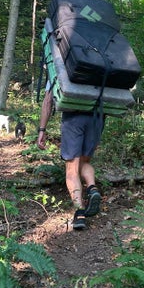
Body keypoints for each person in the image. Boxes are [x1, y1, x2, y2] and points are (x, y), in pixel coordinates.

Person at [37, 84, 104, 231]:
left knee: (72, 167)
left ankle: (80, 214)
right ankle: (92, 188)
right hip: (96, 117)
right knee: (85, 161)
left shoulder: (59, 66)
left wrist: (42, 129)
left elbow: (48, 101)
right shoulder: (97, 65)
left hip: (73, 117)